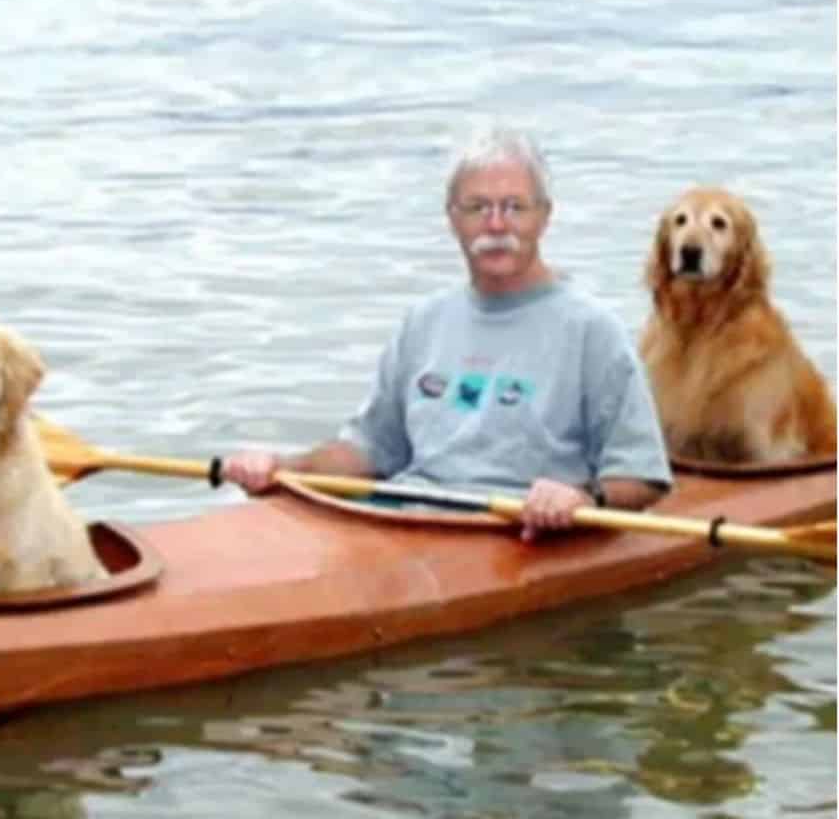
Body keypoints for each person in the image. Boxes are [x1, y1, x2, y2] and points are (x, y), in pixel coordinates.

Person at [219, 124, 672, 540]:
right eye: (477, 208)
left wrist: (586, 499)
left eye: (514, 207)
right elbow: (369, 452)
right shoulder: (423, 322)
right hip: (410, 516)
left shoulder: (592, 331)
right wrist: (283, 467)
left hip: (516, 530)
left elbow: (642, 476)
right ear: (453, 218)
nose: (496, 225)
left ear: (544, 217)